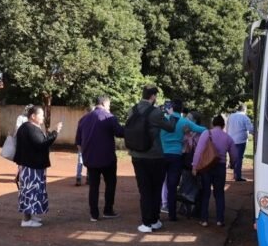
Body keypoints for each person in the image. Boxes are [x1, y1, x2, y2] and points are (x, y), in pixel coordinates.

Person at [127, 85, 178, 233]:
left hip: (137, 155)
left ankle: (146, 223)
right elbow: (170, 127)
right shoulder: (156, 112)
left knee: (144, 190)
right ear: (153, 96)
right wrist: (172, 114)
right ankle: (153, 221)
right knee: (155, 189)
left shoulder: (132, 110)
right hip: (155, 156)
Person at [75, 96, 124, 222]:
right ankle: (108, 210)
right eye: (109, 105)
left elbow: (78, 142)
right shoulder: (109, 117)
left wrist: (84, 155)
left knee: (93, 187)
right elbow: (120, 132)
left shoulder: (84, 119)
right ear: (104, 103)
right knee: (110, 183)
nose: (109, 107)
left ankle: (94, 214)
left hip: (90, 159)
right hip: (107, 158)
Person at [13, 105, 62, 228]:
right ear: (33, 116)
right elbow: (42, 144)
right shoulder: (30, 128)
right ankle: (26, 219)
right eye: (41, 115)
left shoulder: (28, 127)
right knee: (30, 192)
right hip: (32, 166)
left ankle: (32, 215)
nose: (43, 117)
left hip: (31, 165)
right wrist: (55, 132)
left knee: (35, 191)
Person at [160, 99, 206, 221]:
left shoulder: (162, 120)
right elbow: (203, 130)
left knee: (159, 183)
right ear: (180, 110)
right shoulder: (184, 121)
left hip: (162, 154)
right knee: (173, 185)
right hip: (176, 156)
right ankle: (172, 215)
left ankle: (156, 214)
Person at [193, 114, 238, 227]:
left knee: (205, 193)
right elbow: (235, 155)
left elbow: (198, 151)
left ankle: (204, 219)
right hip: (220, 167)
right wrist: (233, 164)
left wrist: (194, 166)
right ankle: (219, 220)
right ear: (223, 125)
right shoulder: (227, 137)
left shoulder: (206, 134)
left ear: (213, 124)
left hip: (206, 167)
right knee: (219, 194)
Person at [226, 103, 253, 181]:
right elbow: (251, 129)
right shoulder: (245, 117)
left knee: (233, 157)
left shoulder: (231, 116)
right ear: (245, 109)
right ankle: (237, 176)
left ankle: (233, 168)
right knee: (239, 158)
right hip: (240, 140)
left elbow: (227, 127)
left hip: (231, 139)